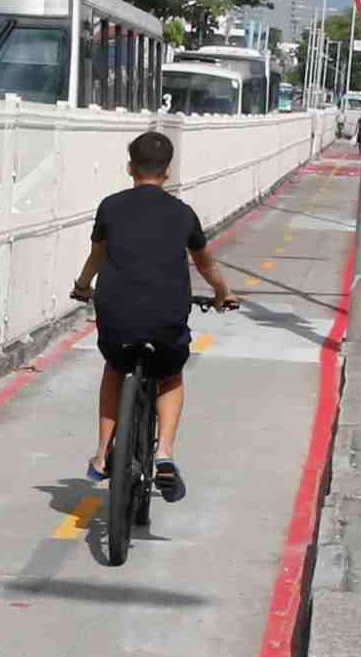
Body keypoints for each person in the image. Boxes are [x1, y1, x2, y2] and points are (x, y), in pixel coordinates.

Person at [67, 128, 236, 503]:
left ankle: (101, 454)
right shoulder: (183, 214)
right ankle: (165, 455)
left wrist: (81, 286)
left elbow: (97, 258)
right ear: (168, 171)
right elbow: (206, 265)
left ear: (130, 167)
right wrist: (225, 294)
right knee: (171, 375)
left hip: (117, 316)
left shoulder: (110, 206)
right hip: (165, 319)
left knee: (115, 367)